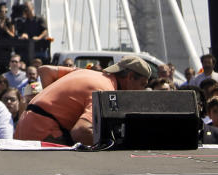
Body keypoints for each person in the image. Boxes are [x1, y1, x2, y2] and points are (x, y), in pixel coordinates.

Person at [14, 56, 151, 146]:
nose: (142, 91)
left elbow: (45, 70)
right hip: (44, 133)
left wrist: (53, 106)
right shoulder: (105, 90)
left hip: (24, 125)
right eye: (143, 85)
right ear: (131, 77)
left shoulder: (86, 73)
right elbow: (81, 132)